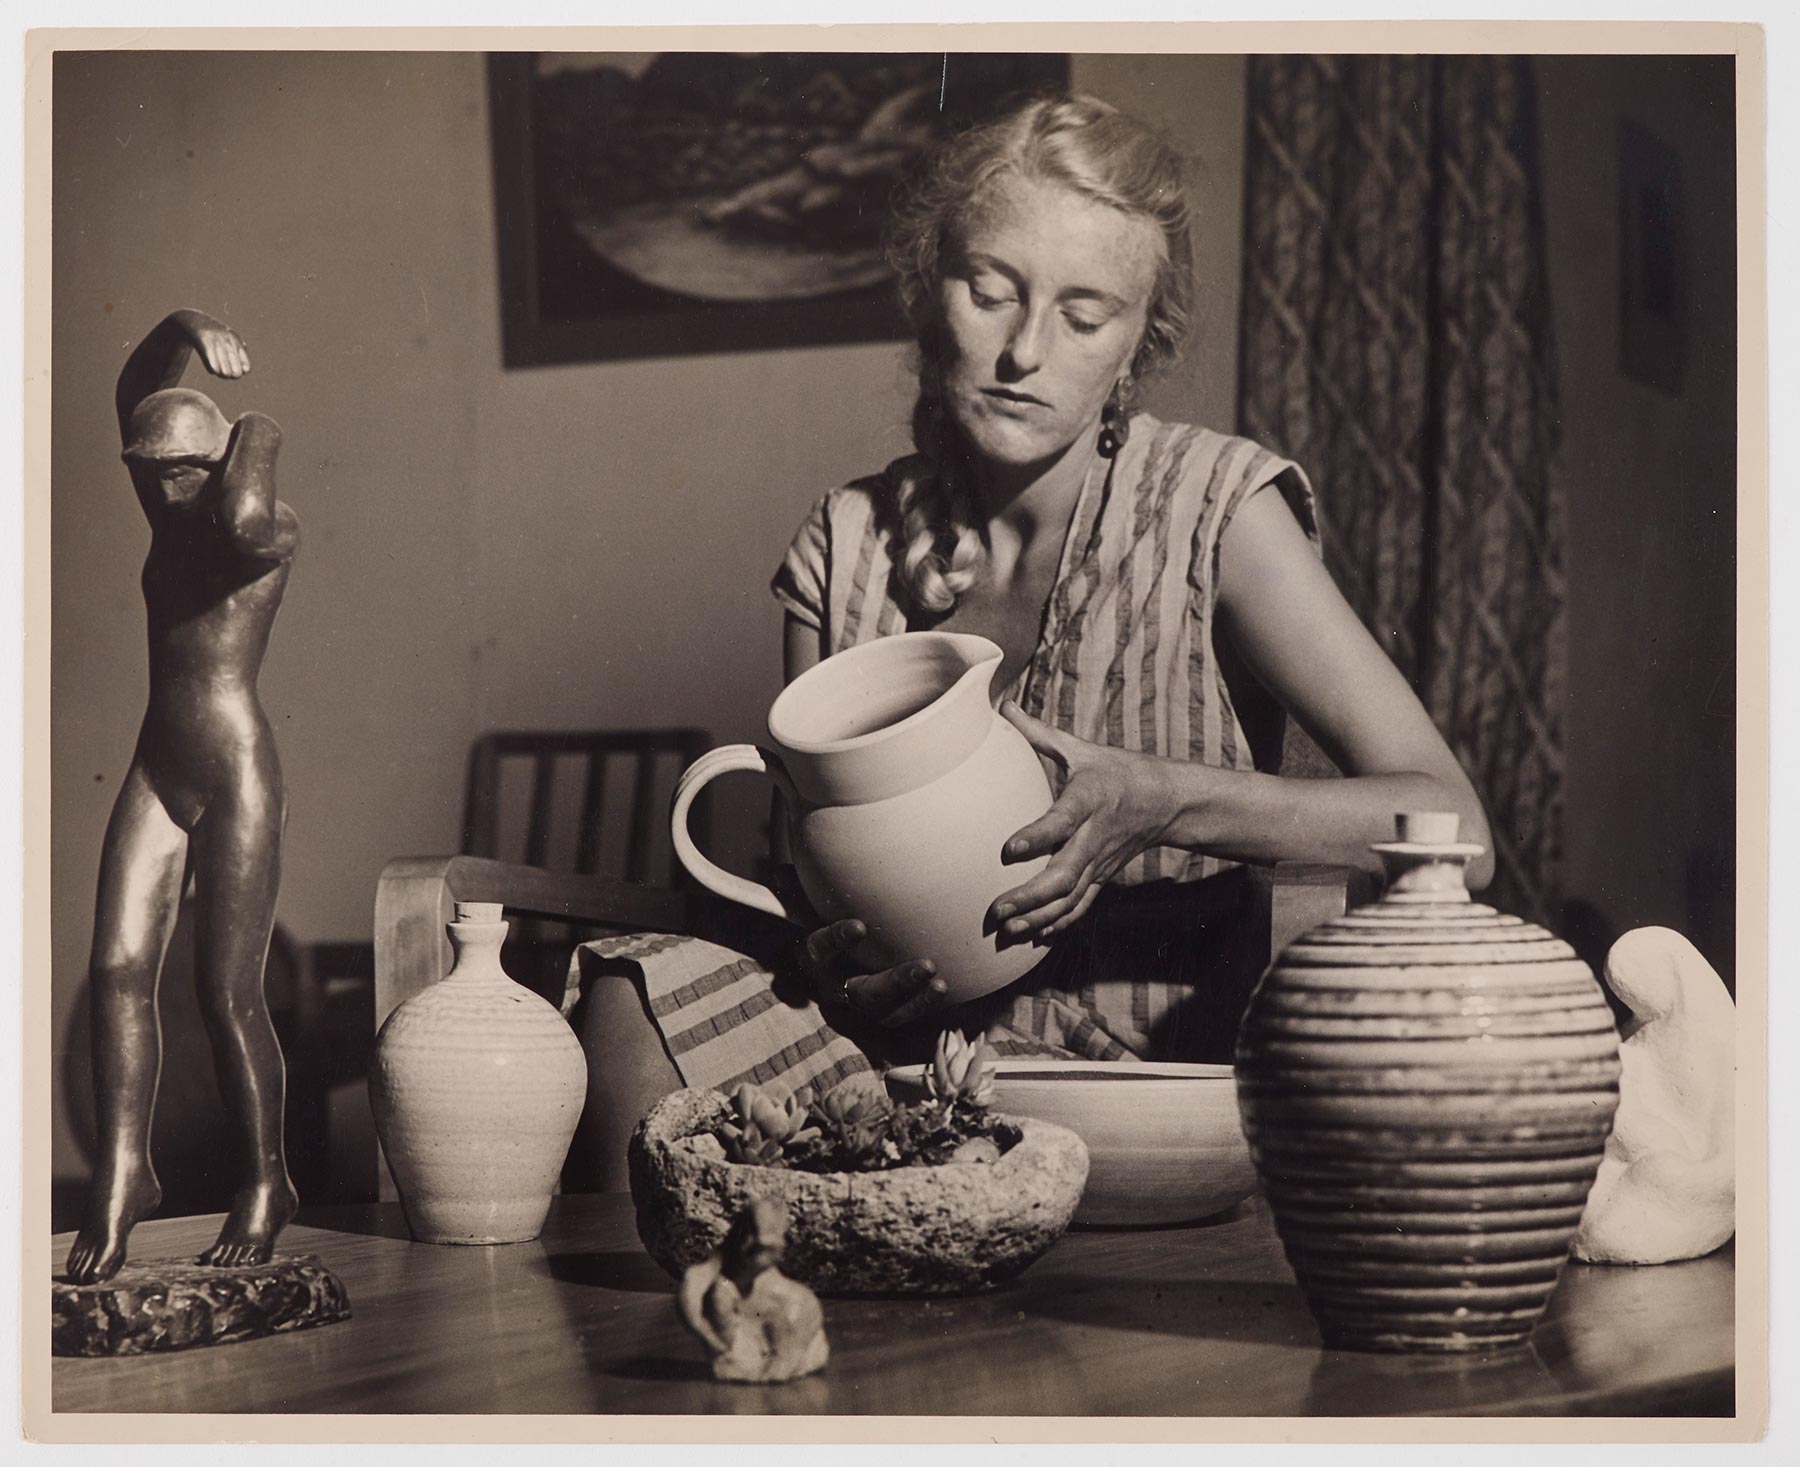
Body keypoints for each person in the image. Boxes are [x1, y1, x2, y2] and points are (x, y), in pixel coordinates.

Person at [575, 94, 1490, 1182]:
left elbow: (1455, 827)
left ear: (1136, 347)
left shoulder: (1217, 509)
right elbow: (819, 884)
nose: (1023, 351)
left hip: (1146, 1069)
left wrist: (1164, 799)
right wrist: (839, 956)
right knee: (631, 1000)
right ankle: (720, 1337)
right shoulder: (847, 545)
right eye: (989, 290)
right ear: (931, 294)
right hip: (904, 1070)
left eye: (1083, 314)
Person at [65, 309, 300, 1285]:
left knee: (225, 992)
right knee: (117, 970)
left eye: (176, 473)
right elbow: (138, 396)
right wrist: (185, 328)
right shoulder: (167, 512)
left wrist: (257, 431)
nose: (157, 489)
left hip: (235, 767)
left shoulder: (261, 528)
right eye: (145, 473)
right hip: (157, 765)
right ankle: (125, 1174)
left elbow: (242, 514)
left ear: (212, 464)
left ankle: (266, 1183)